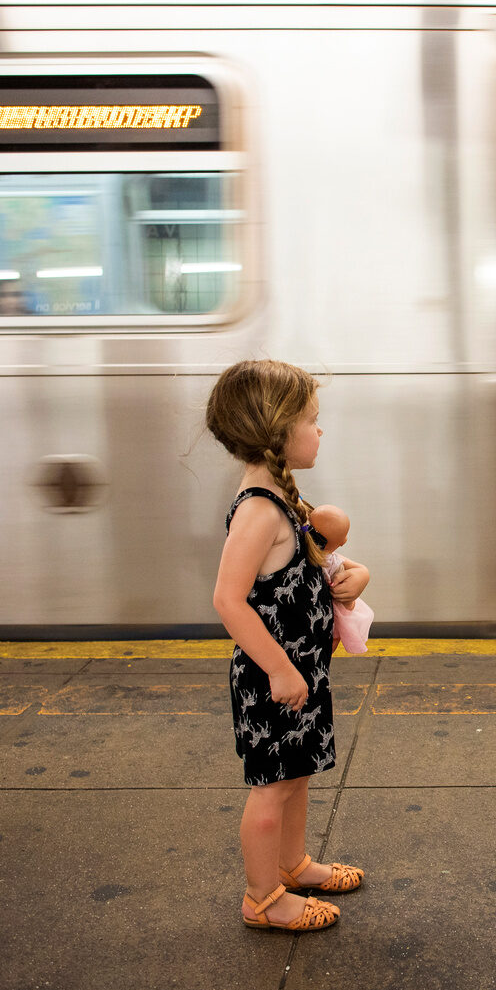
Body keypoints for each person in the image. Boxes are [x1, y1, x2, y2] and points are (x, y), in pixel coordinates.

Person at [207, 359, 370, 932]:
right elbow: (228, 600)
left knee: (295, 775)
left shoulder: (281, 499)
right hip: (274, 677)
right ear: (278, 429)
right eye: (312, 420)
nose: (319, 431)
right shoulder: (257, 509)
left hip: (301, 671)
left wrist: (357, 577)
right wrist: (278, 670)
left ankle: (292, 864)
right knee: (270, 788)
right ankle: (263, 898)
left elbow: (313, 563)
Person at [304, 504, 373, 655]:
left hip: (321, 613)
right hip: (333, 609)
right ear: (343, 541)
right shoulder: (333, 561)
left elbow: (359, 569)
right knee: (335, 634)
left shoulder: (304, 554)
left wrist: (363, 573)